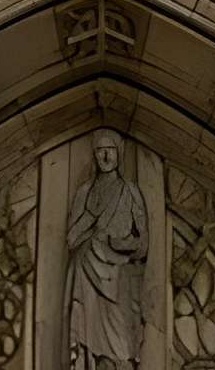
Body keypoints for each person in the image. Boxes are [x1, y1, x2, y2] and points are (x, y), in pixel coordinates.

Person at [65, 130, 148, 370]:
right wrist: (89, 225)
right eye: (100, 150)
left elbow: (143, 242)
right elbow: (71, 238)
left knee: (121, 332)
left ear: (118, 153)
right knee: (87, 331)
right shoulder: (85, 192)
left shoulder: (129, 191)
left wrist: (120, 243)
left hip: (119, 272)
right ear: (94, 154)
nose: (105, 155)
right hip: (86, 268)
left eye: (109, 150)